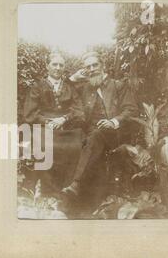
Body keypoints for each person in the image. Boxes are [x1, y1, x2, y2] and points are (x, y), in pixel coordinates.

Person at [62, 51, 138, 198]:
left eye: (95, 65)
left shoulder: (118, 85)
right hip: (91, 133)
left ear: (103, 66)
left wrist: (113, 121)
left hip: (115, 133)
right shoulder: (84, 88)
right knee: (71, 140)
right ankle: (64, 196)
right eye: (88, 67)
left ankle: (76, 183)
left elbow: (131, 109)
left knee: (96, 135)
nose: (92, 69)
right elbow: (64, 94)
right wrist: (73, 78)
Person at [23, 53, 85, 194]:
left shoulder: (70, 88)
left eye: (61, 65)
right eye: (54, 64)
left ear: (64, 68)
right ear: (47, 66)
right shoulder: (37, 87)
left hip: (66, 128)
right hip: (44, 128)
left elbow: (79, 110)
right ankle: (47, 190)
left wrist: (64, 119)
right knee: (44, 146)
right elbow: (29, 113)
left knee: (77, 146)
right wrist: (47, 122)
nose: (58, 68)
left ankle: (67, 189)